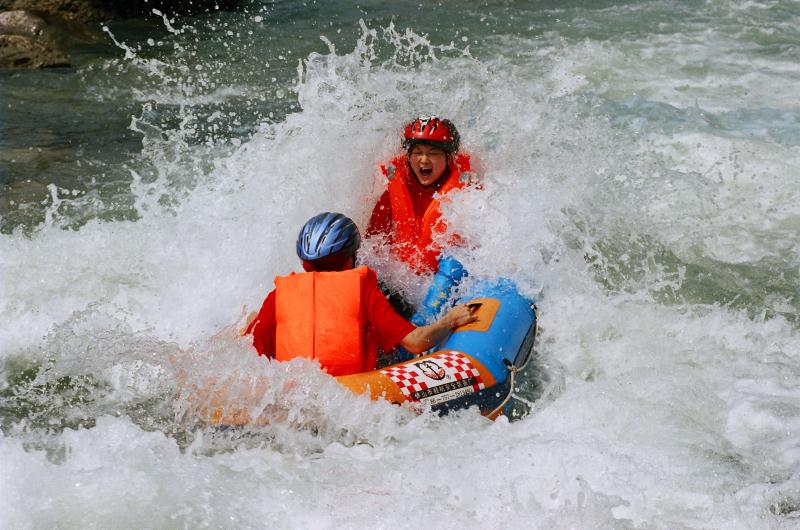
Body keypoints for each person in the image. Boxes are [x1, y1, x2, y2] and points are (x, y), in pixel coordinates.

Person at [244, 212, 478, 377]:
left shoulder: (279, 295)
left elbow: (250, 354)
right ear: (351, 258)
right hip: (353, 395)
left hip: (296, 398)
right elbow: (417, 342)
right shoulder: (361, 288)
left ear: (305, 263)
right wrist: (450, 320)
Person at [366, 115, 477, 275]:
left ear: (449, 158)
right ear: (408, 157)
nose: (424, 160)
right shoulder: (390, 195)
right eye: (417, 152)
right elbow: (372, 247)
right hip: (403, 278)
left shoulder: (467, 194)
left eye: (433, 153)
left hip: (446, 276)